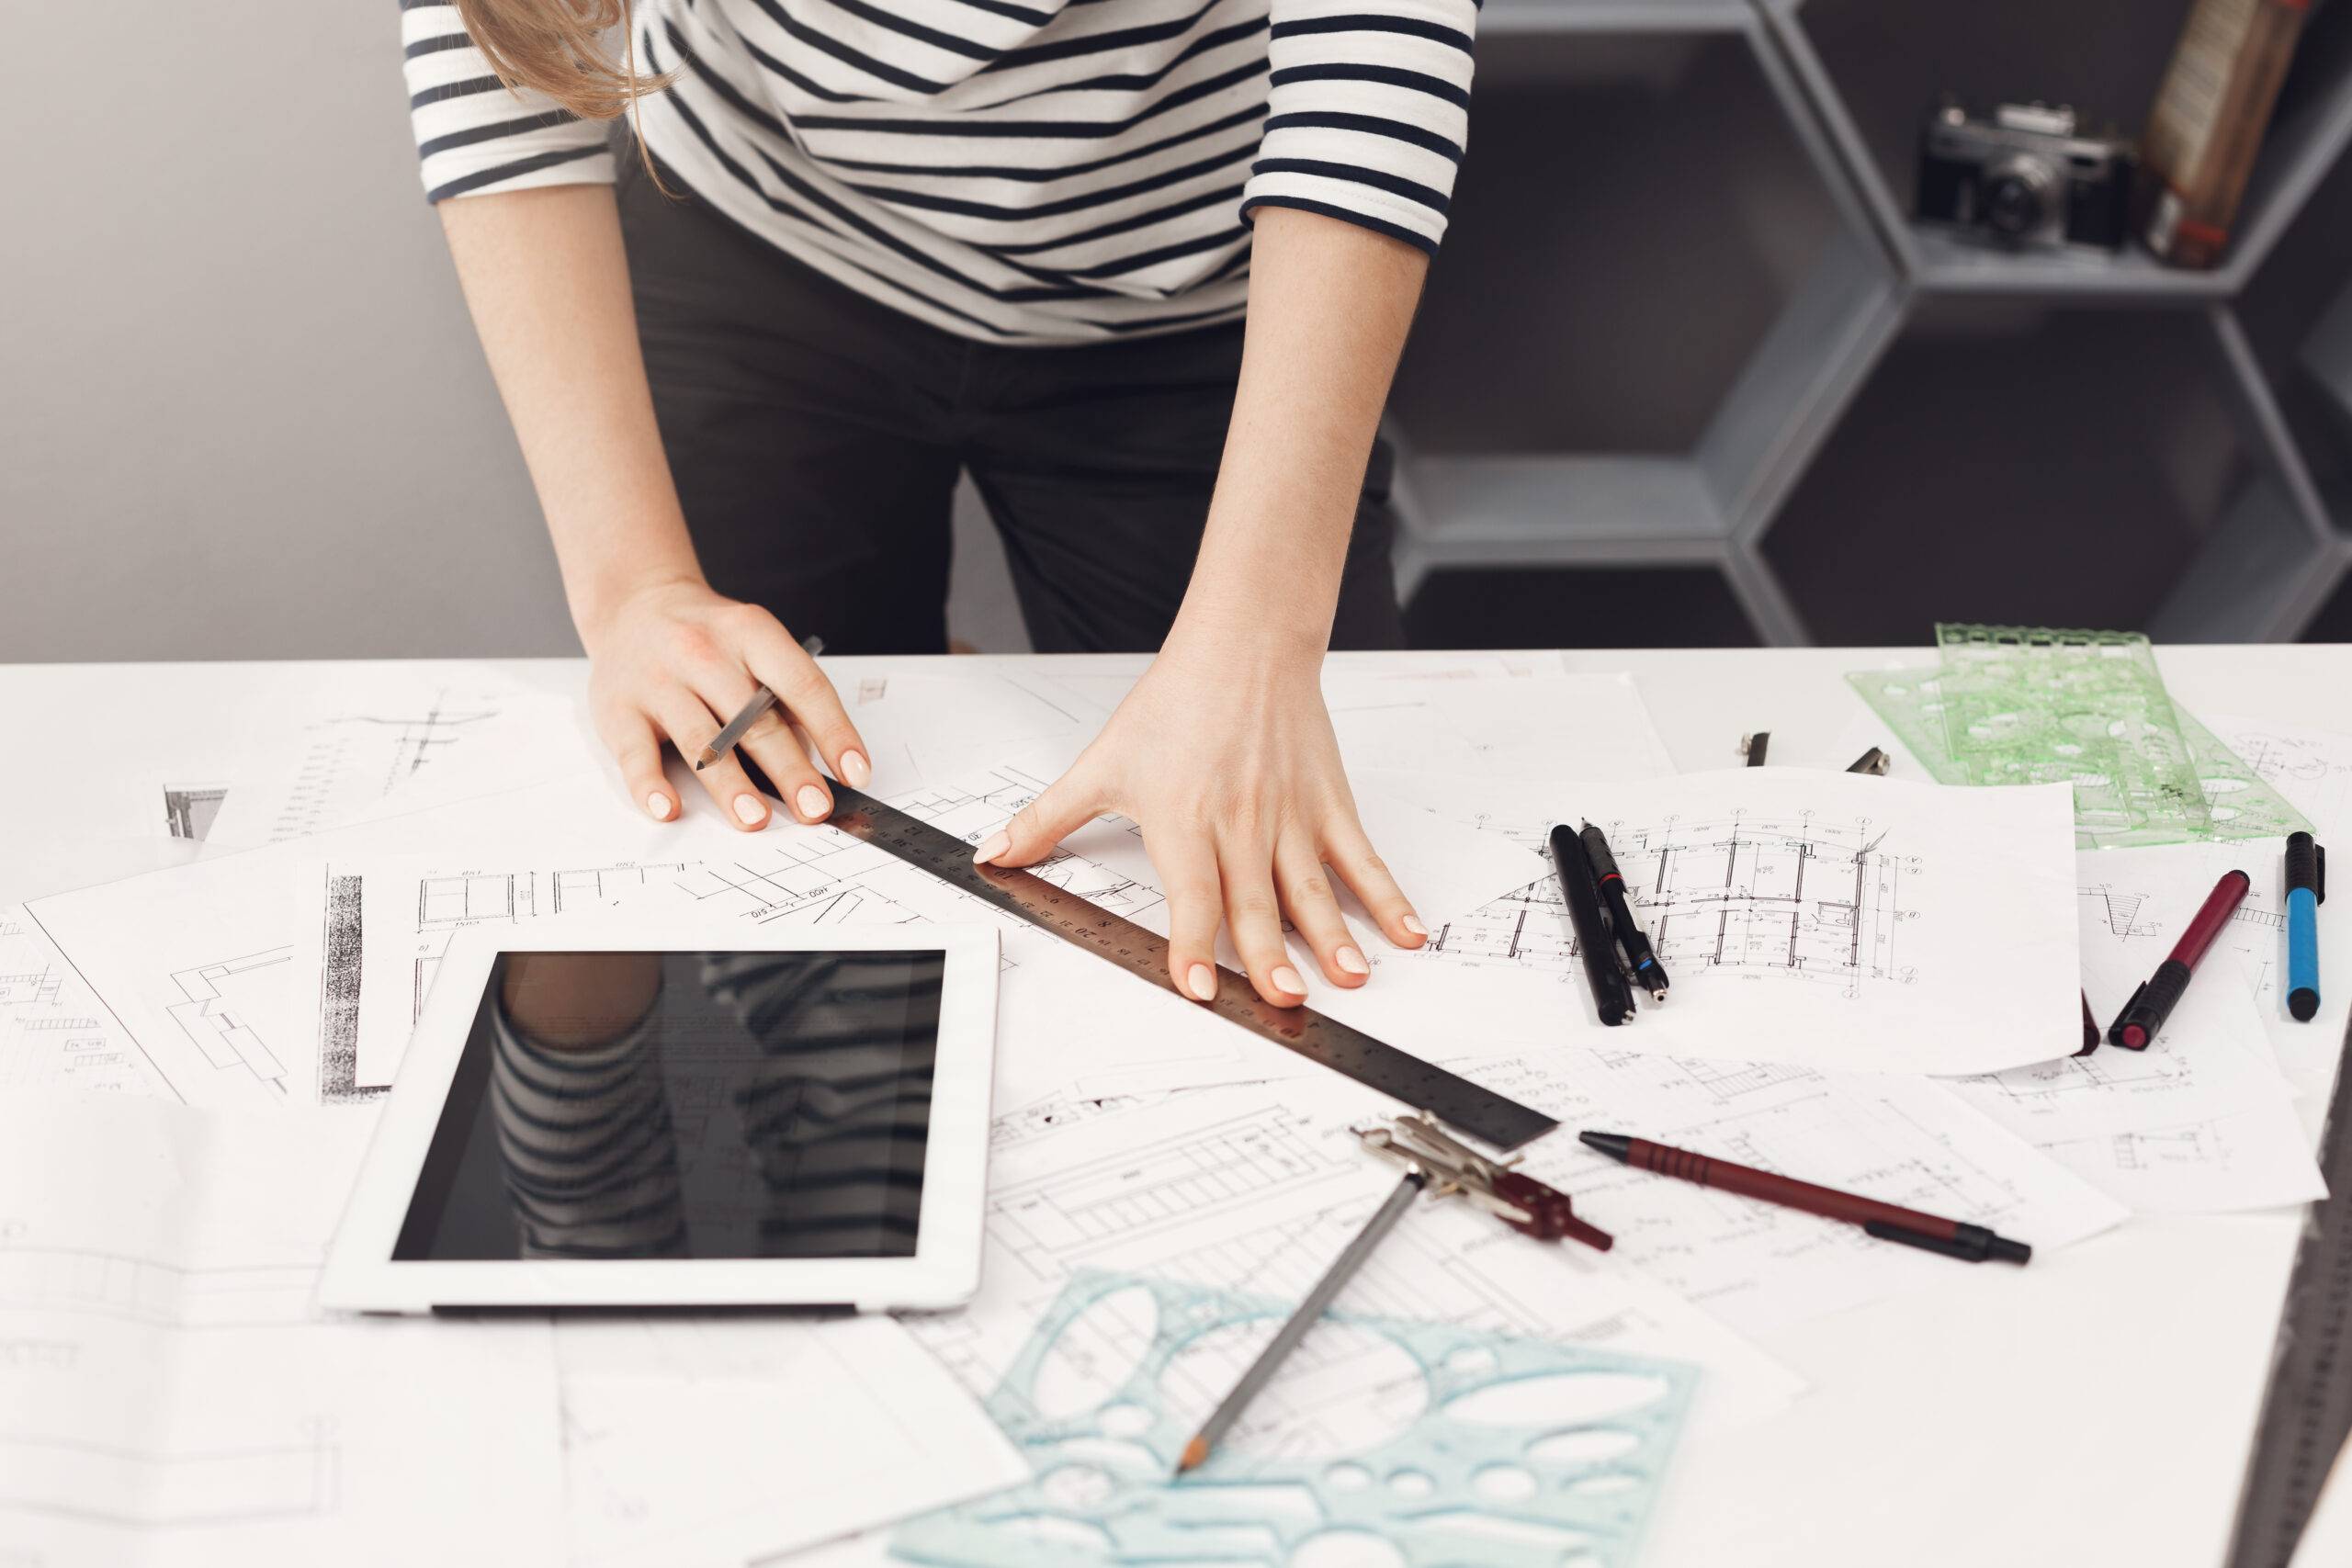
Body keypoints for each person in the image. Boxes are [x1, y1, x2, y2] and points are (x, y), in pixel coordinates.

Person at [399, 0, 1477, 1010]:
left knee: (1265, 850)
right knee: (761, 859)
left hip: (1187, 286)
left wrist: (1256, 648)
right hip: (759, 230)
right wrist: (633, 586)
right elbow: (506, 37)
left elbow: (1374, 60)